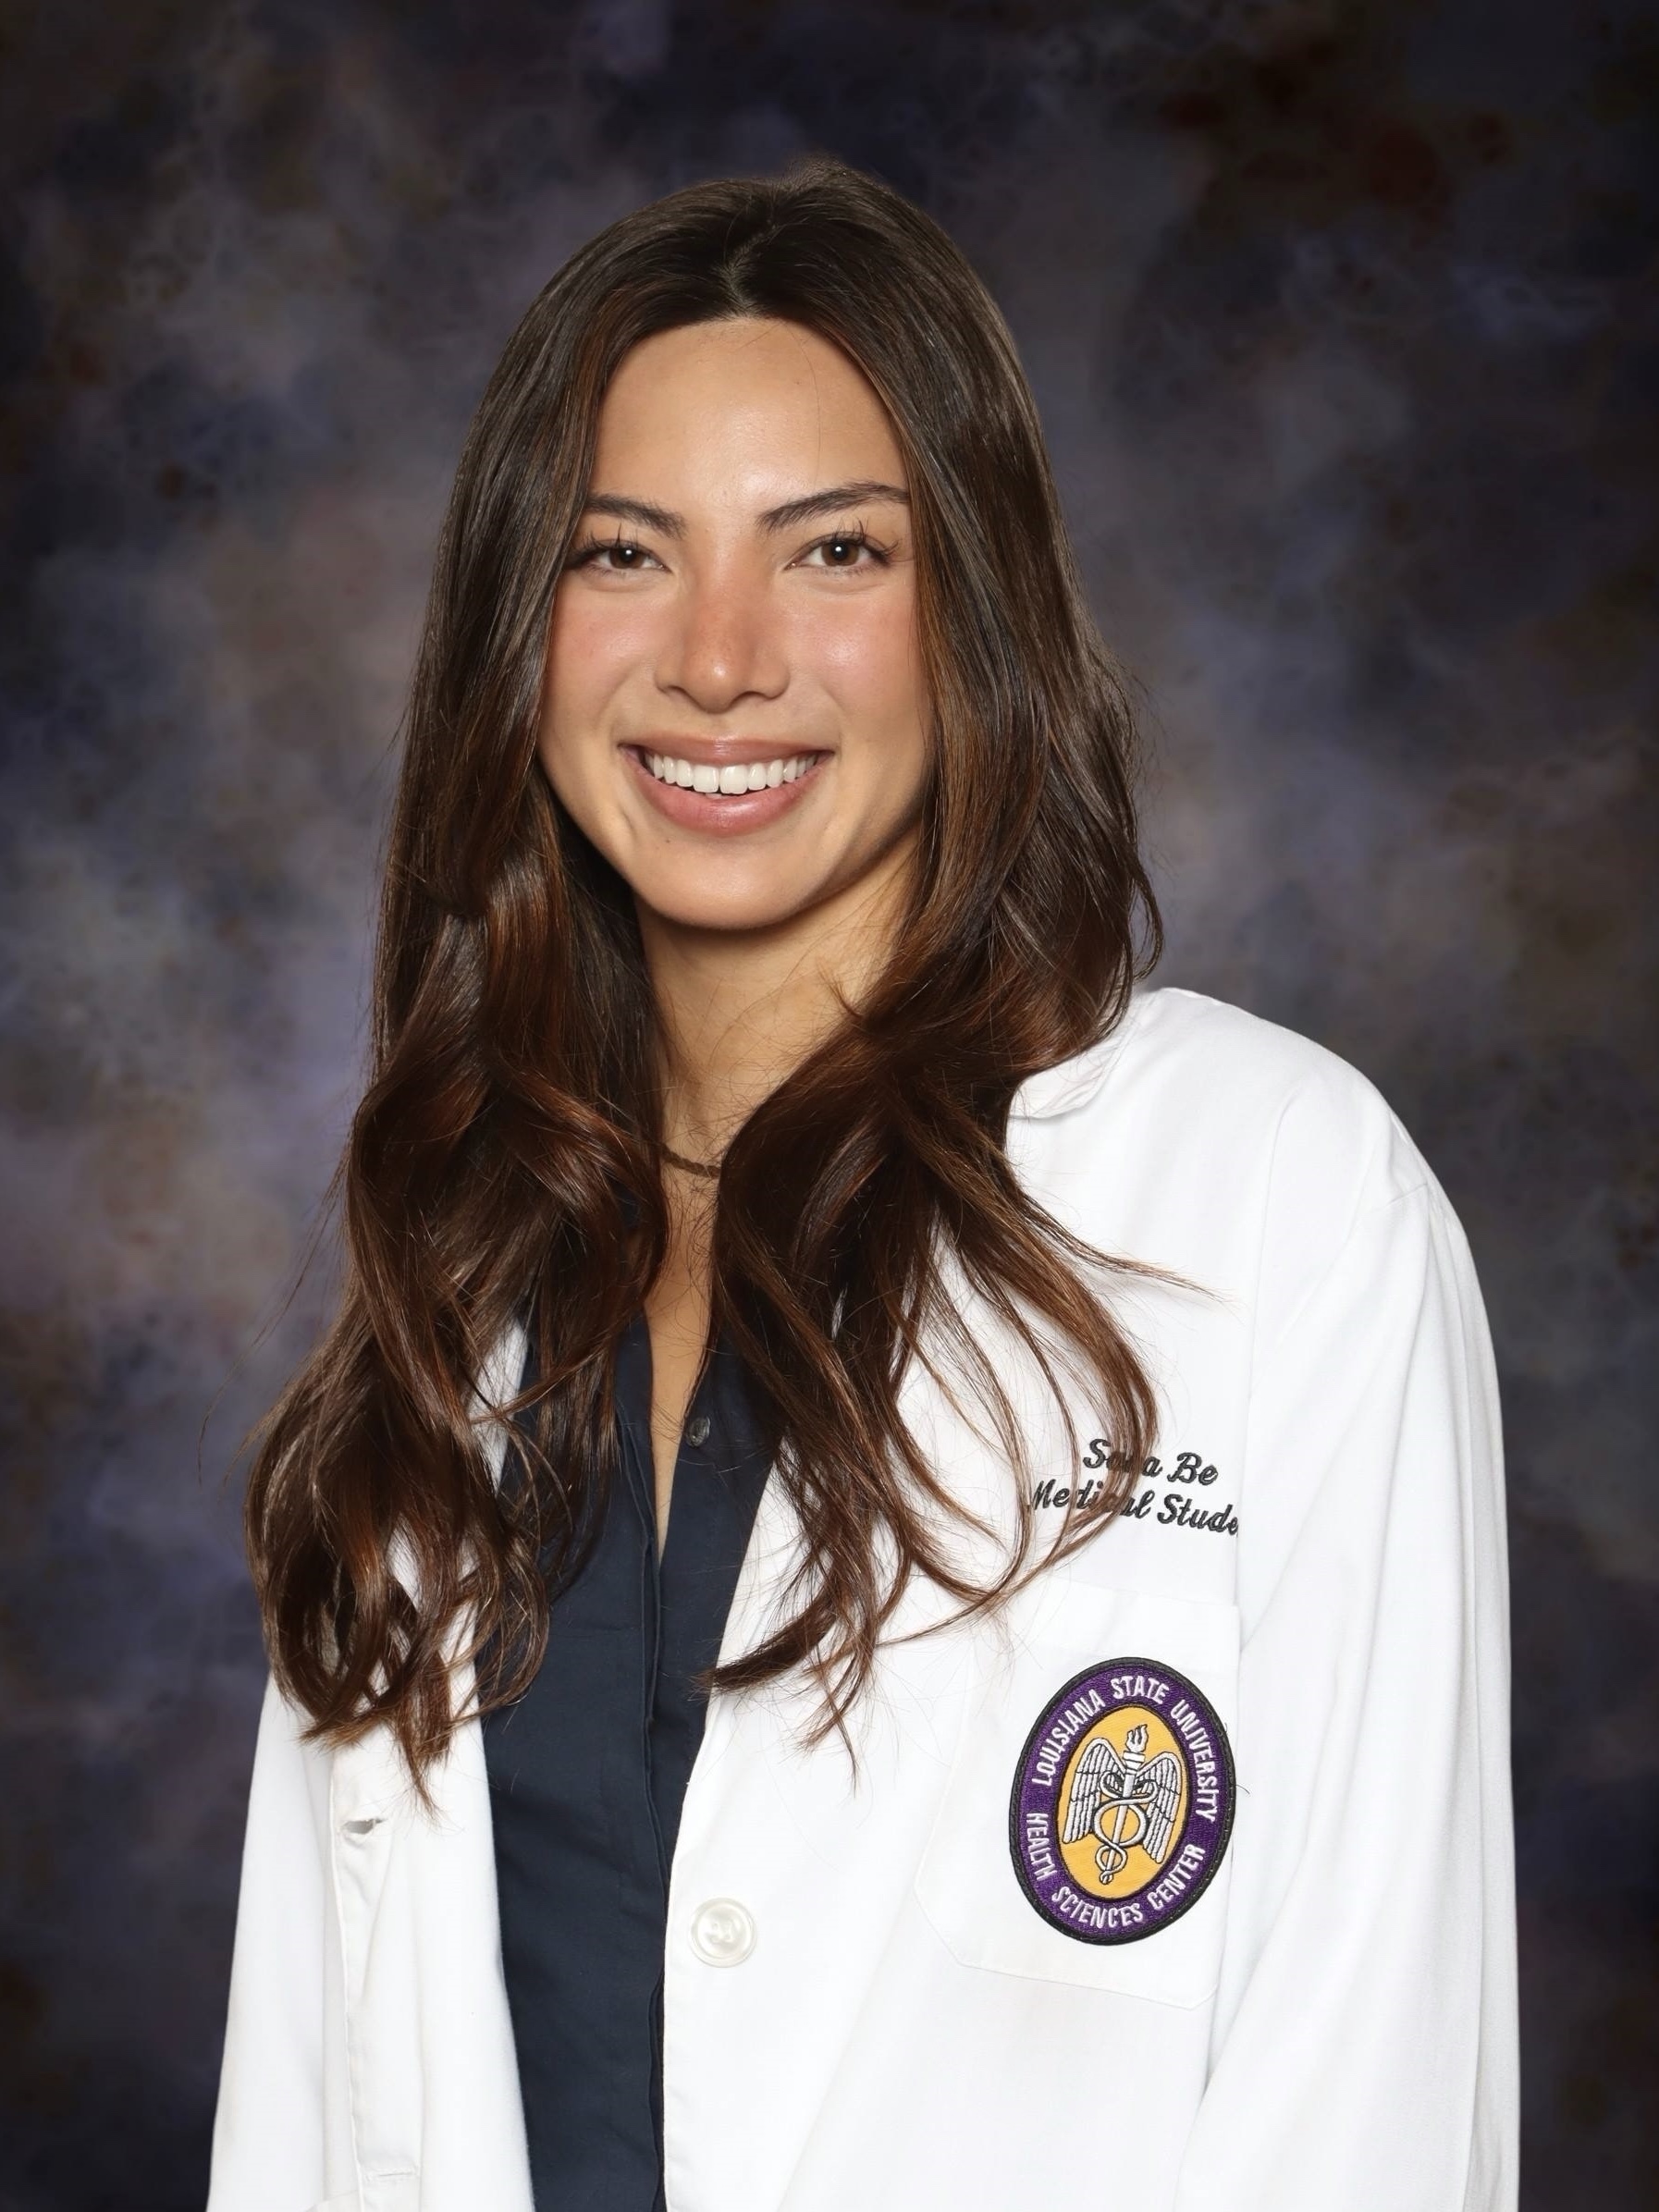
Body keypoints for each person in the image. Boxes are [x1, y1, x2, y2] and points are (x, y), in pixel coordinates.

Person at [207, 156, 1517, 2212]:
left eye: (831, 550)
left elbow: (1369, 2081)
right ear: (517, 635)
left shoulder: (1274, 1201)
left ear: (970, 608)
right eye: (621, 551)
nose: (720, 659)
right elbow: (309, 2126)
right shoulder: (453, 1286)